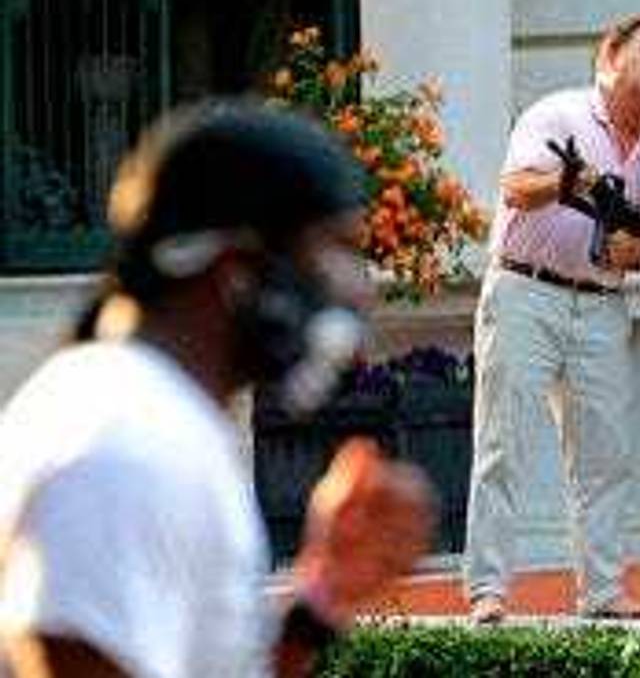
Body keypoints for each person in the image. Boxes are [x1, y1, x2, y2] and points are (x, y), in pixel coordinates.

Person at [0, 101, 433, 678]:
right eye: (335, 249)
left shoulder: (161, 420)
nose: (360, 289)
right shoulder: (126, 444)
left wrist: (317, 603)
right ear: (237, 272)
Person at [465, 15, 640, 623]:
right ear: (610, 56)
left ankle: (604, 592)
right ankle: (488, 591)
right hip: (525, 291)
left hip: (604, 305)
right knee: (502, 443)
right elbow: (513, 186)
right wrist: (569, 181)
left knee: (605, 454)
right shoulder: (559, 114)